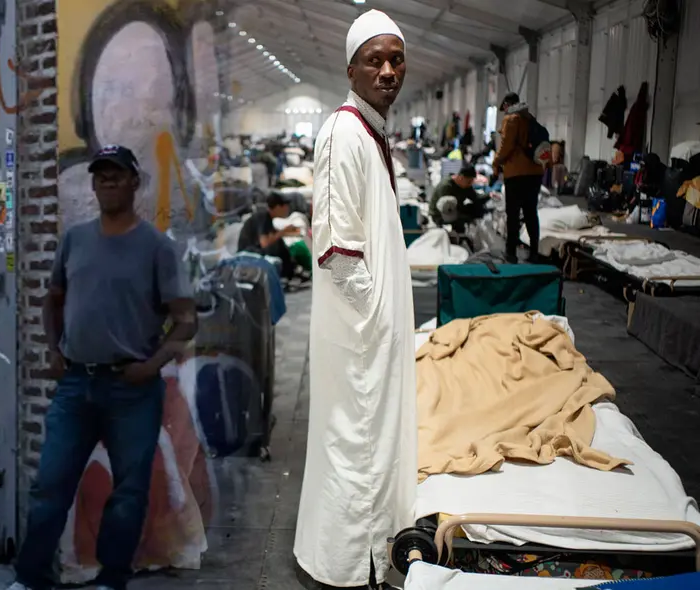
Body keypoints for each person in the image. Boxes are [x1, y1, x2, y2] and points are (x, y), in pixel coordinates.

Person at [11, 145, 196, 590]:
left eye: (117, 174)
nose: (108, 181)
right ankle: (31, 578)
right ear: (93, 185)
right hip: (76, 384)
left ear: (135, 182)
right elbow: (53, 300)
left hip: (132, 390)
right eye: (101, 175)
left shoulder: (157, 248)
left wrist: (152, 366)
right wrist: (54, 351)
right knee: (50, 485)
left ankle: (112, 579)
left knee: (129, 493)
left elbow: (186, 319)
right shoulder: (75, 239)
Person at [295, 9, 416, 589]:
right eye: (375, 60)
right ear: (351, 69)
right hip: (360, 336)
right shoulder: (344, 133)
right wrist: (376, 318)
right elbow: (338, 250)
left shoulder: (371, 131)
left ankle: (364, 557)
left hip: (370, 334)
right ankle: (354, 566)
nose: (388, 71)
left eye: (396, 60)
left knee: (361, 445)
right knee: (358, 447)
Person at [493, 92, 545, 263]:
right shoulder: (529, 118)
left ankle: (511, 253)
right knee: (531, 213)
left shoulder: (511, 119)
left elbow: (506, 146)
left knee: (513, 214)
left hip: (516, 174)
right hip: (535, 173)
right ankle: (534, 252)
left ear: (507, 104)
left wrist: (496, 162)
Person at [236, 191, 304, 280]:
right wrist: (282, 232)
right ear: (277, 207)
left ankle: (291, 271)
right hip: (250, 254)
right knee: (279, 245)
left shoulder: (267, 219)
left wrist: (289, 232)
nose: (287, 209)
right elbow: (265, 243)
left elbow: (272, 235)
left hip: (254, 252)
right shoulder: (263, 217)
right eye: (285, 206)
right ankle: (288, 274)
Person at [429, 165, 489, 232]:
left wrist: (490, 195)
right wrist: (466, 218)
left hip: (457, 208)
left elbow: (475, 198)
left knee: (478, 209)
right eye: (469, 181)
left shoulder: (466, 186)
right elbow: (447, 210)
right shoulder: (446, 186)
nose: (470, 184)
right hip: (441, 214)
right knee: (463, 220)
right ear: (461, 177)